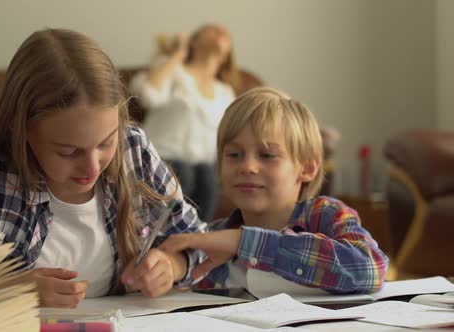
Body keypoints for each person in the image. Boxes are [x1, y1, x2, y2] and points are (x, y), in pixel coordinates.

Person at [0, 28, 207, 308]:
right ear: (24, 131)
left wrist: (173, 266)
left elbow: (200, 240)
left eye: (106, 143)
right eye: (68, 151)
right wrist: (10, 287)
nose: (93, 167)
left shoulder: (132, 148)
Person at [161, 87, 388, 293]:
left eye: (267, 155)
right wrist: (167, 270)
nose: (247, 167)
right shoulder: (211, 237)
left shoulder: (327, 216)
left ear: (307, 168)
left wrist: (246, 243)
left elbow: (371, 268)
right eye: (234, 155)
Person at [129, 24, 240, 222]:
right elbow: (147, 94)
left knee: (207, 177)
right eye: (211, 30)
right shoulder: (174, 71)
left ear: (225, 56)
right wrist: (178, 54)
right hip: (162, 156)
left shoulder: (225, 92)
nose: (220, 31)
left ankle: (195, 240)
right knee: (184, 174)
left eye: (224, 33)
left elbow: (230, 135)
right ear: (194, 42)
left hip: (204, 166)